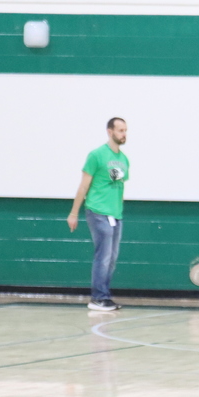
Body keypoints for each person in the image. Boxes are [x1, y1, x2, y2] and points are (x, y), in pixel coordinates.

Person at [68, 118, 130, 312]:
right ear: (110, 132)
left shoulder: (124, 160)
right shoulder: (96, 155)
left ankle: (104, 295)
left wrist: (118, 211)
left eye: (125, 130)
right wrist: (73, 213)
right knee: (103, 256)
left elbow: (118, 187)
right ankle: (98, 298)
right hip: (97, 211)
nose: (124, 134)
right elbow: (84, 185)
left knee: (112, 258)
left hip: (115, 215)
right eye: (120, 130)